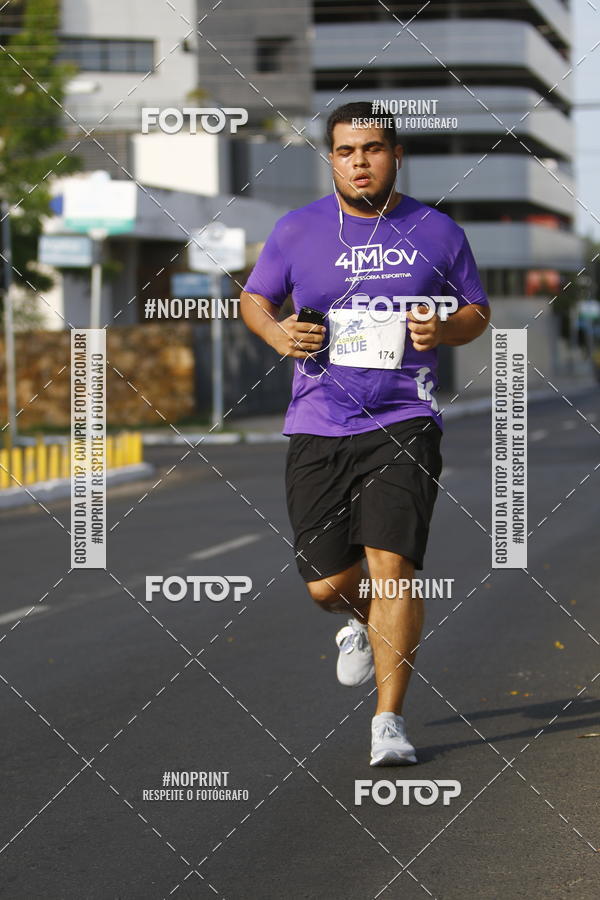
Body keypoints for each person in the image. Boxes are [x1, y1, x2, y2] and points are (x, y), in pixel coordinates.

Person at [240, 101, 490, 766]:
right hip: (319, 422)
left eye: (373, 149)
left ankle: (389, 722)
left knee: (393, 568)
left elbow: (476, 310)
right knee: (326, 583)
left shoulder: (436, 231)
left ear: (396, 154)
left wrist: (445, 329)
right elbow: (256, 299)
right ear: (332, 158)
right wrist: (277, 332)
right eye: (347, 150)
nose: (360, 161)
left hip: (405, 418)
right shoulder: (296, 231)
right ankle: (357, 618)